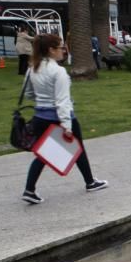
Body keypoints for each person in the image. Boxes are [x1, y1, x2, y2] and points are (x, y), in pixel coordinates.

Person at [21, 34, 107, 204]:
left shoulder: (33, 68)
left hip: (40, 117)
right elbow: (62, 101)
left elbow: (28, 93)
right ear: (51, 50)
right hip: (60, 118)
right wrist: (67, 126)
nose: (64, 50)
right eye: (61, 47)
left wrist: (43, 99)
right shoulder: (58, 71)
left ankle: (29, 189)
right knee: (78, 148)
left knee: (44, 154)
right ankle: (90, 182)